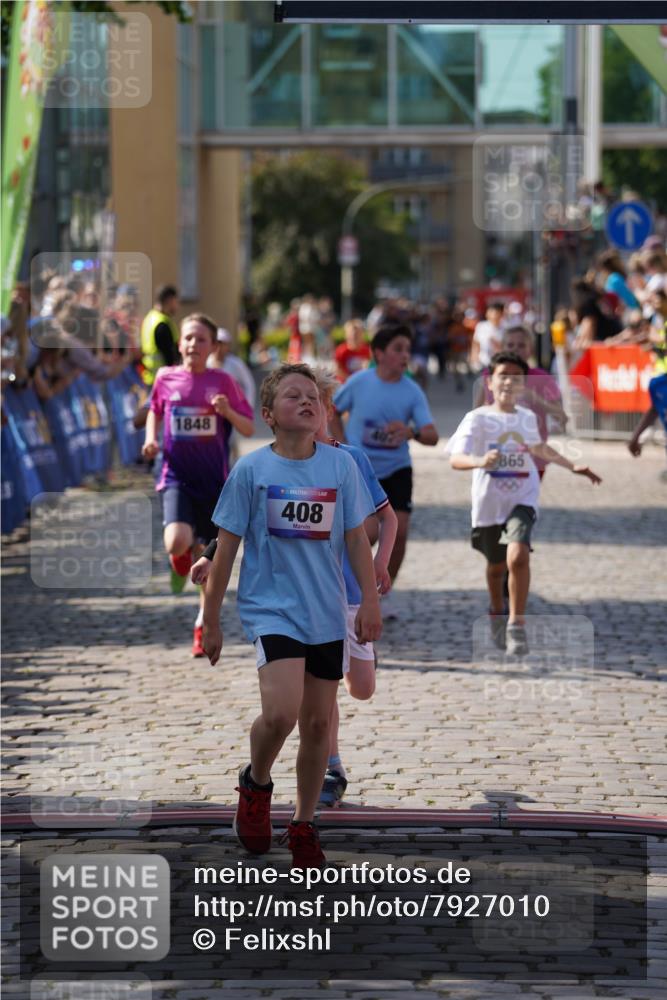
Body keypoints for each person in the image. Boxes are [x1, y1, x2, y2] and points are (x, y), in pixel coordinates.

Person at [201, 363, 382, 868]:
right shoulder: (252, 471)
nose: (307, 402)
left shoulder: (340, 467)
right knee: (281, 713)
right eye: (292, 397)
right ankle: (255, 784)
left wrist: (369, 601)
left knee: (319, 728)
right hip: (272, 610)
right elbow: (227, 548)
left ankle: (303, 823)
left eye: (313, 398)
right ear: (267, 416)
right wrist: (211, 618)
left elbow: (356, 540)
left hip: (325, 611)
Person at [446, 351, 601, 657]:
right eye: (503, 375)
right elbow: (455, 458)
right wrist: (480, 460)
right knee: (495, 568)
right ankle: (497, 610)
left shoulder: (526, 418)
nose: (509, 382)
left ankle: (517, 624)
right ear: (490, 382)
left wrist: (573, 466)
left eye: (516, 378)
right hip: (489, 504)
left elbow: (539, 447)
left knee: (518, 557)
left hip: (523, 497)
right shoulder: (477, 419)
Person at [142, 313, 254, 655]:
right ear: (180, 344)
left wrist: (227, 412)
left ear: (212, 347)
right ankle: (180, 557)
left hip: (214, 483)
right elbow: (155, 410)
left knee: (212, 565)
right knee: (177, 542)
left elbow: (249, 428)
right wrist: (151, 439)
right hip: (176, 475)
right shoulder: (165, 378)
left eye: (200, 339)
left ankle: (203, 623)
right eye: (188, 338)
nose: (193, 344)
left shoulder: (224, 381)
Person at [330, 324, 439, 619]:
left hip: (396, 470)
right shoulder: (359, 382)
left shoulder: (412, 390)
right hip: (360, 471)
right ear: (379, 353)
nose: (405, 355)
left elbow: (432, 435)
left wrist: (411, 431)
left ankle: (380, 593)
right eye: (398, 349)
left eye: (407, 349)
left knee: (400, 532)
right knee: (367, 533)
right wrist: (343, 446)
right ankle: (351, 590)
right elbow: (331, 410)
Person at [474, 326, 567, 480]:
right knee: (500, 501)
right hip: (497, 452)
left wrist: (535, 399)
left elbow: (562, 418)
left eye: (521, 345)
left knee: (524, 503)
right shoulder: (489, 376)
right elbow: (477, 413)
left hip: (533, 457)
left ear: (530, 350)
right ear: (502, 348)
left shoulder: (542, 378)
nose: (516, 349)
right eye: (510, 345)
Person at [140, 284, 180, 387]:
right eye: (175, 301)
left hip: (149, 376)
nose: (177, 306)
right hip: (164, 379)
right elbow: (169, 355)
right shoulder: (162, 323)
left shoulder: (149, 318)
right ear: (170, 300)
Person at [207, 327, 256, 409]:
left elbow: (248, 385)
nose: (219, 347)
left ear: (228, 346)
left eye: (222, 344)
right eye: (217, 343)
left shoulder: (236, 364)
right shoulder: (206, 362)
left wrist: (248, 406)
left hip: (234, 409)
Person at [470, 302, 504, 371]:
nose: (491, 315)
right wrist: (474, 356)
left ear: (501, 314)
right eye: (489, 312)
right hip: (483, 363)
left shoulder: (506, 328)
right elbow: (476, 342)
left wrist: (497, 344)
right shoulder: (481, 326)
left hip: (499, 363)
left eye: (495, 313)